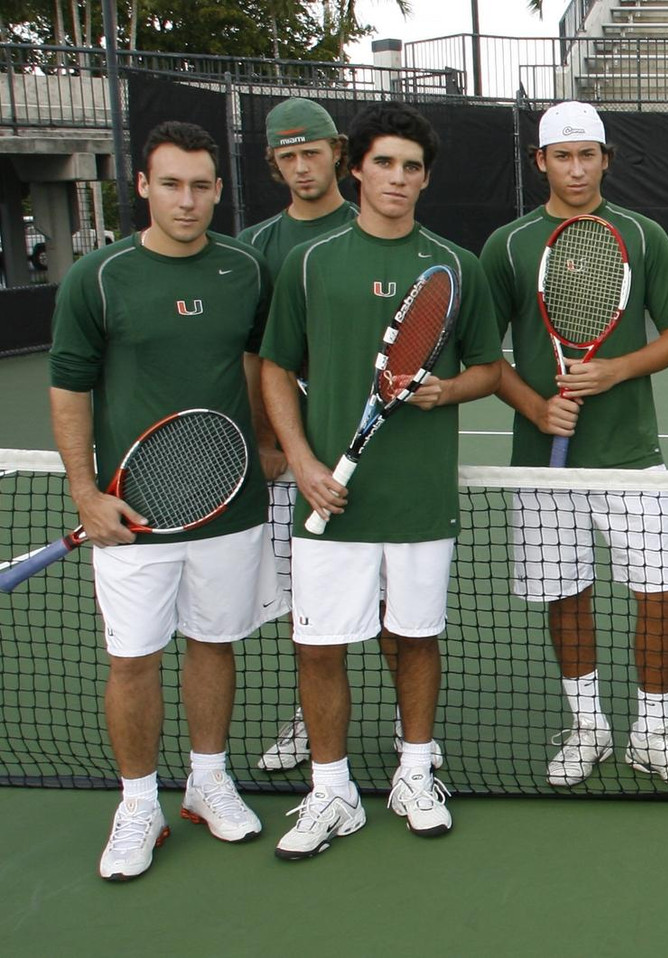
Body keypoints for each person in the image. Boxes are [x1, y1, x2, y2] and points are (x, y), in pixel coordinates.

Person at [260, 102, 502, 858]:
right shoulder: (311, 260)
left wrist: (447, 389)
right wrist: (300, 462)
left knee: (417, 638)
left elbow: (490, 368)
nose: (398, 178)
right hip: (330, 500)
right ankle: (331, 791)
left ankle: (415, 771)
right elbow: (275, 367)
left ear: (425, 179)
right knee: (319, 649)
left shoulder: (456, 265)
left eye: (413, 167)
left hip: (420, 498)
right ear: (355, 168)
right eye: (385, 163)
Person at [48, 121, 274, 879]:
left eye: (201, 185)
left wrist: (268, 444)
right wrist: (86, 492)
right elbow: (70, 388)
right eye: (171, 183)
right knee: (134, 660)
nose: (188, 200)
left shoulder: (245, 270)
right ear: (142, 186)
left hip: (232, 506)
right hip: (130, 516)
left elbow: (255, 366)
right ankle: (139, 803)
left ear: (218, 190)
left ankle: (208, 782)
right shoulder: (100, 278)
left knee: (214, 644)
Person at [480, 100, 668, 790]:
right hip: (544, 468)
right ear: (539, 162)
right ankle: (588, 728)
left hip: (633, 456)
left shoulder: (642, 236)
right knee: (567, 596)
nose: (575, 169)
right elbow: (485, 357)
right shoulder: (509, 246)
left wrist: (614, 369)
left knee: (660, 594)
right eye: (562, 155)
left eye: (588, 155)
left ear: (606, 159)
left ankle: (655, 731)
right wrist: (537, 408)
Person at [237, 96, 427, 775]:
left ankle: (414, 740)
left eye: (310, 153)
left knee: (392, 613)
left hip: (380, 468)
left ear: (339, 155)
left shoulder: (374, 221)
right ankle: (308, 726)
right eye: (286, 157)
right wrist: (281, 450)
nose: (300, 168)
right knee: (310, 616)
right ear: (273, 165)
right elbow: (263, 360)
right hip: (299, 465)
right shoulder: (258, 248)